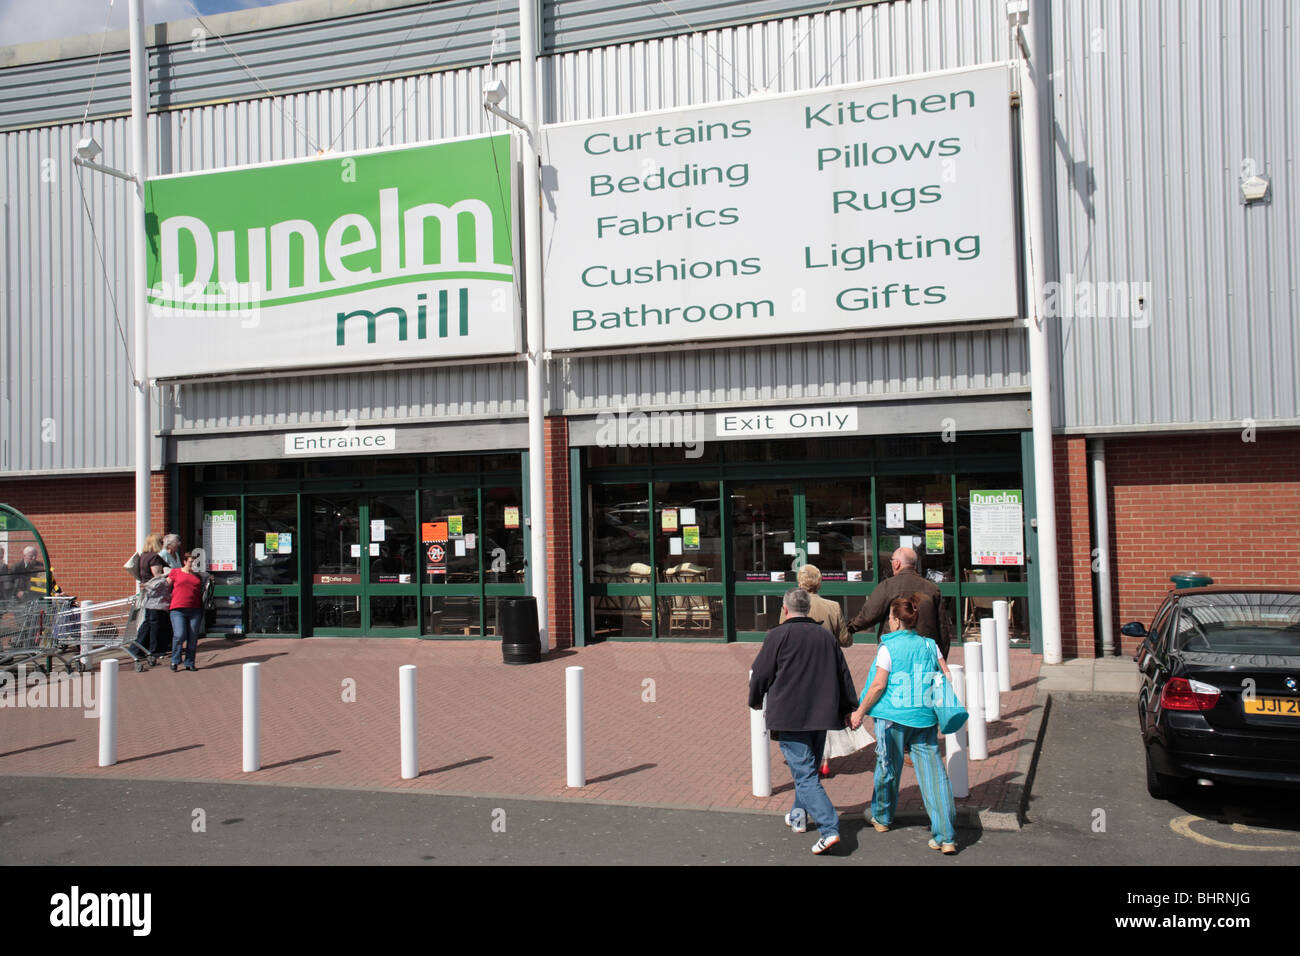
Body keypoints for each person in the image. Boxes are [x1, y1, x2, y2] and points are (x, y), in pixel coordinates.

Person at [749, 587, 858, 855]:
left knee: (805, 773)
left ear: (786, 610)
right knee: (807, 769)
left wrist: (755, 700)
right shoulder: (825, 637)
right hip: (820, 714)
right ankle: (798, 816)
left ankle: (829, 828)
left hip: (790, 714)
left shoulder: (777, 636)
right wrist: (849, 707)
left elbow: (760, 673)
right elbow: (843, 674)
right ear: (808, 608)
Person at [850, 592, 958, 855]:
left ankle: (882, 817)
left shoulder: (888, 647)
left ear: (897, 620)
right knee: (934, 776)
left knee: (888, 767)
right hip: (924, 717)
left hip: (892, 717)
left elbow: (878, 685)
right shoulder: (930, 645)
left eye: (889, 617)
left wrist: (860, 711)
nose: (889, 622)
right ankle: (946, 837)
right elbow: (946, 676)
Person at [848, 547, 949, 658]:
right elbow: (942, 627)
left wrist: (850, 628)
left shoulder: (887, 586)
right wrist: (941, 658)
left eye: (891, 561)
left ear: (896, 563)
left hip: (895, 651)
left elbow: (868, 615)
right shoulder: (932, 589)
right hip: (925, 652)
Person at [168, 551, 207, 672]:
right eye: (190, 562)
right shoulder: (176, 572)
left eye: (194, 563)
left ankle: (189, 662)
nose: (192, 565)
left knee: (193, 637)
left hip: (195, 609)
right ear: (184, 562)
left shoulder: (198, 576)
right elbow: (165, 585)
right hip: (177, 608)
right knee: (179, 634)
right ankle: (175, 660)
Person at [135, 533, 169, 666]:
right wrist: (167, 575)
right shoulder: (154, 557)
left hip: (147, 592)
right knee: (154, 621)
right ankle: (154, 650)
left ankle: (138, 648)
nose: (162, 544)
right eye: (160, 542)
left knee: (148, 621)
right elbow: (157, 576)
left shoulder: (143, 556)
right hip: (155, 594)